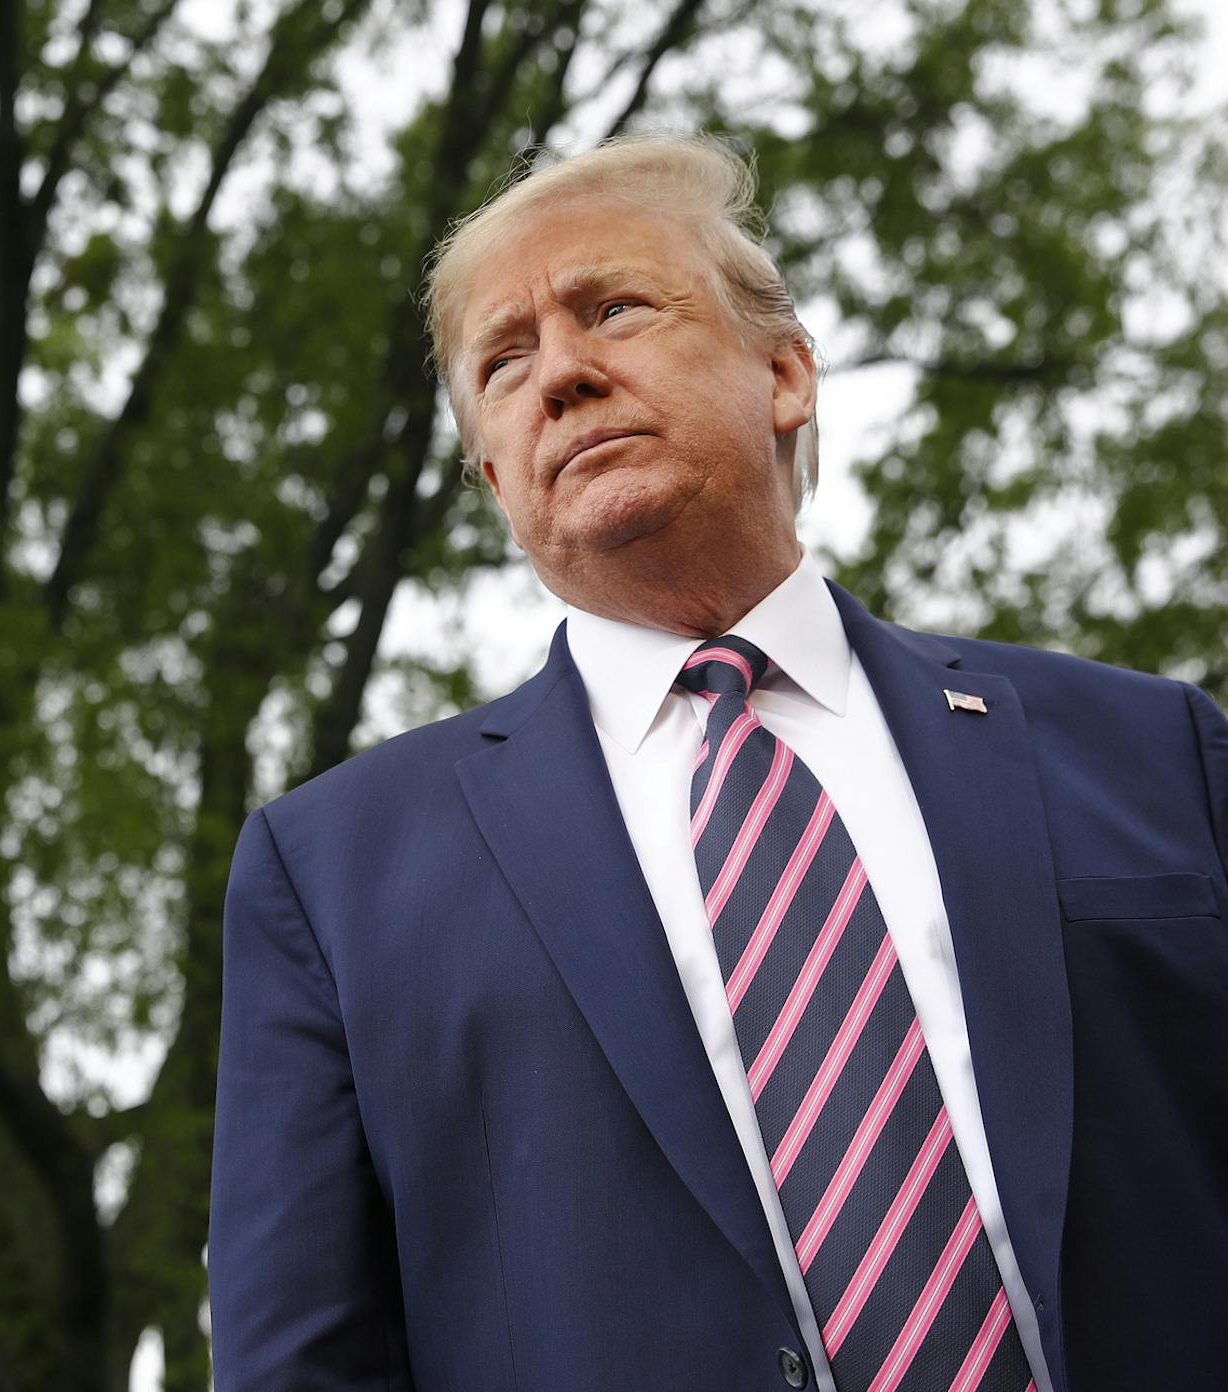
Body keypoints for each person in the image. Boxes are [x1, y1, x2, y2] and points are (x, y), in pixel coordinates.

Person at [206, 133, 1228, 1391]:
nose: (561, 377)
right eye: (504, 362)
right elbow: (297, 1359)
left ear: (787, 372)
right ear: (493, 478)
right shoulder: (331, 875)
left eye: (614, 309)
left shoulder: (1156, 751)